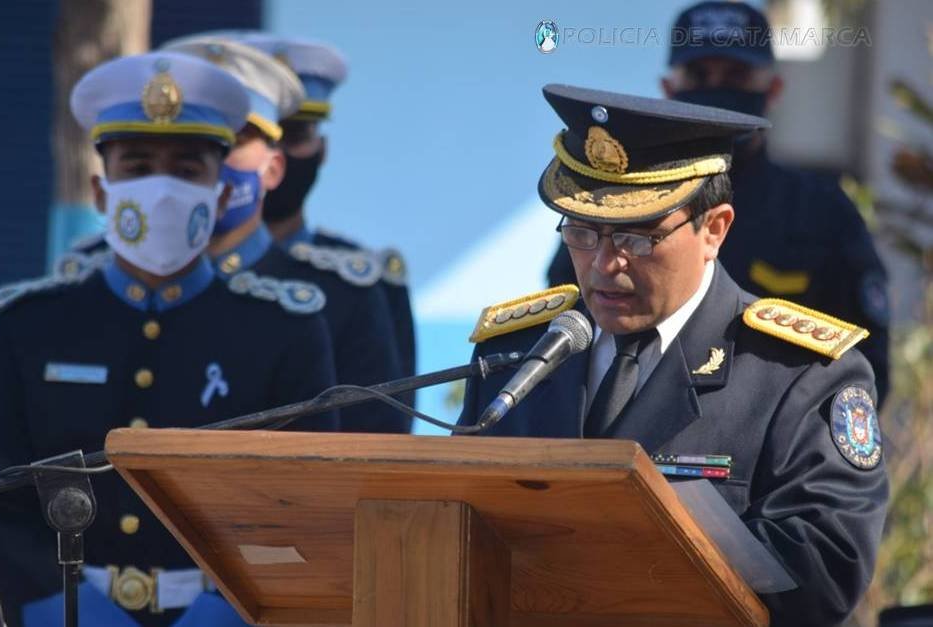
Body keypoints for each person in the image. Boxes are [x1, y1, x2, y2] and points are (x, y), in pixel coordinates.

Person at [461, 85, 888, 626]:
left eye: (638, 239)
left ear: (714, 230)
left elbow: (826, 568)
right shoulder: (517, 356)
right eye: (583, 232)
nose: (604, 266)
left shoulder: (798, 373)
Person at [0, 51, 338, 626]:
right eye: (140, 165)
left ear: (221, 196)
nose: (163, 188)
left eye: (187, 168)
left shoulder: (284, 331)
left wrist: (228, 610)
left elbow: (301, 500)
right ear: (102, 193)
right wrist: (54, 606)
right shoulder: (25, 326)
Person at [546, 0, 891, 404]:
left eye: (736, 75)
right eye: (699, 74)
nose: (717, 88)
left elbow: (863, 360)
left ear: (773, 88)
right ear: (669, 89)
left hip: (770, 427)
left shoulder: (821, 211)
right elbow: (573, 326)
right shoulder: (619, 201)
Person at [158, 36, 411, 434]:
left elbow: (374, 452)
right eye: (210, 143)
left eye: (294, 134)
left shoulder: (346, 294)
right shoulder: (132, 277)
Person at [229, 32, 418, 408]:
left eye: (294, 134)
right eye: (255, 137)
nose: (276, 156)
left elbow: (379, 444)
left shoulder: (360, 287)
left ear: (323, 150)